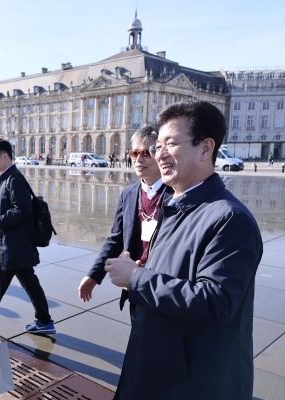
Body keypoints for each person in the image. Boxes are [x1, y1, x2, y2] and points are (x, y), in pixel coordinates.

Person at [104, 101, 262, 399]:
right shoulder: (177, 205)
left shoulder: (230, 218)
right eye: (158, 145)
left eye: (171, 143)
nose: (158, 153)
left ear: (205, 149)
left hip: (190, 382)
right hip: (157, 364)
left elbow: (216, 301)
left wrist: (137, 279)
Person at [78, 126, 172, 321]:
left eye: (146, 153)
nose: (138, 159)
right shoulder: (129, 193)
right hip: (134, 286)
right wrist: (94, 276)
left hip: (164, 286)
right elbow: (116, 238)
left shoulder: (175, 194)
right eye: (135, 153)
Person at [0, 139, 55, 334]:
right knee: (30, 283)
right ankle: (44, 321)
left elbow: (21, 209)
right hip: (17, 244)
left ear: (4, 156)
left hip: (14, 246)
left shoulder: (13, 179)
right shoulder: (8, 178)